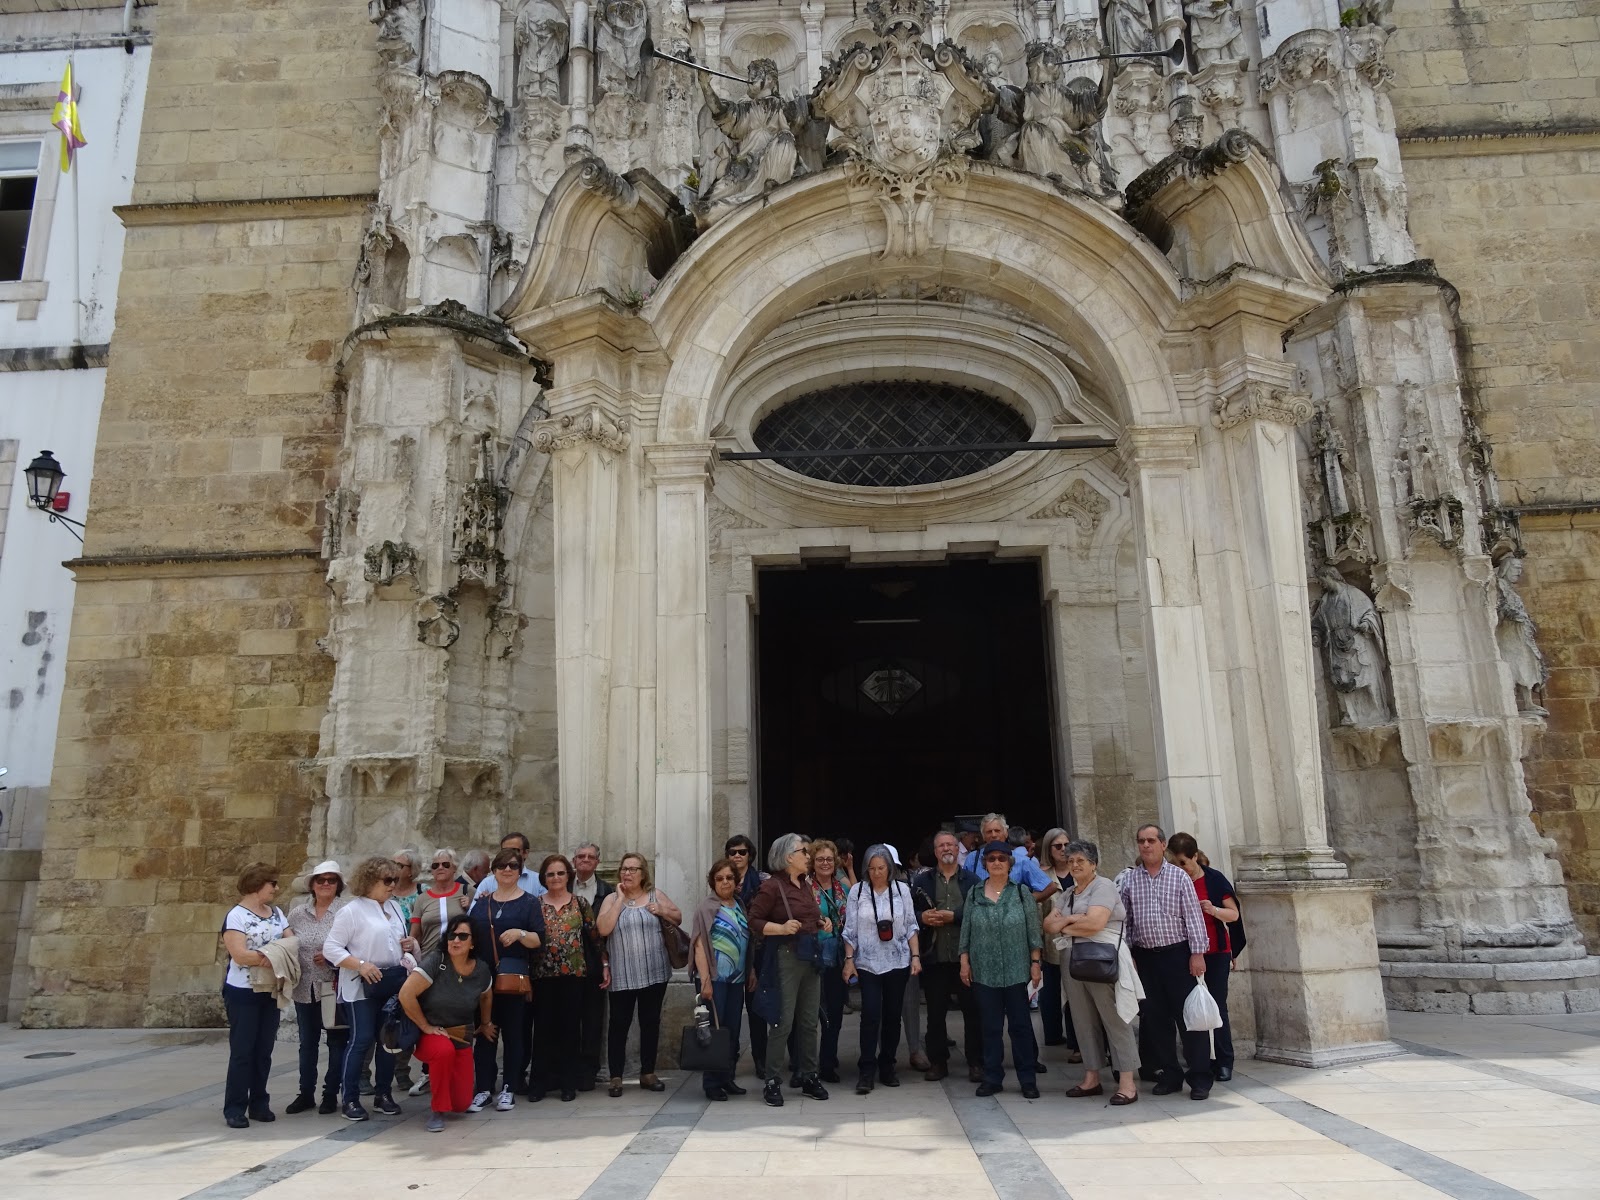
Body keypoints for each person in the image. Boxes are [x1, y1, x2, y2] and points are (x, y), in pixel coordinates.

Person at [1116, 824, 1212, 1100]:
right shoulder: (1131, 880)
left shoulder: (1179, 877)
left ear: (1162, 844)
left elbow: (1193, 916)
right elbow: (1126, 921)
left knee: (1189, 1018)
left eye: (1151, 840)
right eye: (1141, 841)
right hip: (1146, 958)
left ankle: (1200, 1078)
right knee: (1156, 1020)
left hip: (1178, 955)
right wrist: (1129, 955)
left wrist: (1197, 953)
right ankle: (1170, 1075)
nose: (1146, 845)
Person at [1043, 840, 1140, 1105]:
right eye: (1071, 861)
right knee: (1082, 1020)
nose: (1074, 865)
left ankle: (1127, 1082)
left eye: (1080, 861)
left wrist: (1065, 923)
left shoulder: (1103, 886)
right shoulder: (1069, 893)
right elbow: (1048, 925)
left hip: (1101, 959)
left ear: (1093, 864)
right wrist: (1073, 921)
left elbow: (1096, 923)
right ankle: (1092, 1077)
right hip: (1073, 960)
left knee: (1114, 1019)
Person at [324, 855, 414, 1122]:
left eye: (395, 879)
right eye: (387, 880)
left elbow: (397, 942)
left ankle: (383, 1095)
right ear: (369, 880)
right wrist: (361, 965)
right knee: (361, 1039)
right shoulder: (351, 911)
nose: (392, 885)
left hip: (391, 982)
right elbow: (331, 948)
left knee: (388, 1040)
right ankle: (350, 1099)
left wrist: (409, 945)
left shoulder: (394, 907)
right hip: (360, 986)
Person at [749, 833, 829, 1107]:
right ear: (788, 857)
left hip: (810, 956)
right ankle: (772, 1080)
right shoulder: (772, 886)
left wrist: (821, 922)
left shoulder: (805, 884)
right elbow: (753, 920)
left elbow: (807, 917)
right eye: (803, 851)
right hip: (786, 957)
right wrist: (780, 928)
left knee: (808, 1021)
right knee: (782, 1021)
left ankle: (809, 1075)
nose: (808, 855)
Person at [959, 841, 1042, 1098]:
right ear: (985, 863)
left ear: (1009, 863)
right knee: (990, 1027)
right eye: (992, 858)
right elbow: (966, 930)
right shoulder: (974, 893)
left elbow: (1033, 931)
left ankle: (1027, 1079)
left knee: (1020, 1027)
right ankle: (992, 1077)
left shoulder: (1021, 893)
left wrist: (1035, 963)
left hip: (1017, 970)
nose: (997, 862)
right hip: (984, 970)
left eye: (1002, 858)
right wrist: (964, 962)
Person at [398, 913, 493, 1131]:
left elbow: (487, 995)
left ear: (473, 943)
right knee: (443, 1052)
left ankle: (443, 1088)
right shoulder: (437, 960)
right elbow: (406, 994)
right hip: (430, 1033)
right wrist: (425, 1026)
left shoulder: (481, 969)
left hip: (461, 1035)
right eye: (452, 935)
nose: (456, 940)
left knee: (461, 1104)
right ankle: (437, 1111)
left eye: (463, 936)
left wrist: (486, 1023)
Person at [598, 851, 681, 1096]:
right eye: (624, 869)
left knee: (650, 1022)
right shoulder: (611, 898)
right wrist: (619, 900)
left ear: (643, 873)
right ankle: (616, 1076)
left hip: (654, 972)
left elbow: (678, 917)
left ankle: (648, 1072)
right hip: (622, 974)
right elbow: (603, 929)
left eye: (633, 869)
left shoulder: (655, 895)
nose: (628, 873)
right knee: (618, 1024)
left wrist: (662, 911)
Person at [468, 849, 543, 1112]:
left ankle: (509, 1087)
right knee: (485, 1032)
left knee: (513, 1035)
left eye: (513, 865)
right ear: (494, 871)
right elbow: (470, 937)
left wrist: (520, 933)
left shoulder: (530, 902)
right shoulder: (482, 904)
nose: (507, 870)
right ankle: (483, 1088)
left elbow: (538, 939)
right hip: (483, 980)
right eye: (501, 866)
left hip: (513, 980)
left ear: (520, 871)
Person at [842, 844, 920, 1094]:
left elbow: (911, 925)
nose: (876, 873)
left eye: (881, 868)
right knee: (871, 1014)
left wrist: (915, 956)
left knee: (893, 1016)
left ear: (890, 869)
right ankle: (866, 1069)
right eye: (872, 868)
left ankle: (888, 1065)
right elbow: (850, 929)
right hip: (867, 963)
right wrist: (849, 959)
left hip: (898, 961)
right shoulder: (858, 891)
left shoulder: (902, 890)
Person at [1167, 832, 1242, 1082]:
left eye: (1183, 863)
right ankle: (1199, 1061)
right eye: (1175, 863)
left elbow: (1234, 915)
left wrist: (1213, 909)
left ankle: (1224, 1061)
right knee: (1189, 1007)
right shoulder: (1172, 881)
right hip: (1185, 953)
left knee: (1217, 1005)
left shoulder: (1214, 879)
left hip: (1216, 952)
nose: (1180, 869)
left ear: (1195, 857)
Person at [220, 862, 289, 1128]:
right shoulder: (236, 916)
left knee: (264, 1051)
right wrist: (272, 956)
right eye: (273, 883)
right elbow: (239, 955)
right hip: (243, 991)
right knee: (243, 1051)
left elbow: (291, 942)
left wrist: (272, 956)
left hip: (270, 989)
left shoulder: (277, 913)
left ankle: (259, 1103)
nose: (276, 888)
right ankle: (235, 1107)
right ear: (257, 884)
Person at [912, 831, 983, 1083]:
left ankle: (976, 1062)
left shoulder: (972, 880)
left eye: (950, 844)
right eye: (941, 845)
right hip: (935, 955)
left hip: (966, 957)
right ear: (935, 851)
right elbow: (909, 913)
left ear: (957, 848)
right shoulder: (922, 881)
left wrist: (955, 917)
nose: (946, 849)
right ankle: (938, 1062)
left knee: (972, 1012)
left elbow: (978, 911)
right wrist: (922, 917)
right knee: (935, 1013)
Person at [530, 853, 599, 1101]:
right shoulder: (535, 904)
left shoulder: (580, 903)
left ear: (568, 875)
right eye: (551, 874)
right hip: (542, 975)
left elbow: (594, 937)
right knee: (543, 1030)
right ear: (544, 878)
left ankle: (569, 1083)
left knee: (570, 1030)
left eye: (560, 873)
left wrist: (604, 963)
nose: (556, 878)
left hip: (574, 975)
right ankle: (539, 1083)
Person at [285, 859, 348, 1116]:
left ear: (338, 885)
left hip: (334, 985)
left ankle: (330, 1094)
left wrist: (333, 957)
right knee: (307, 1043)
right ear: (312, 884)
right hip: (304, 987)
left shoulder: (346, 912)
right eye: (321, 880)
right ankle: (306, 1094)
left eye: (331, 880)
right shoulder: (297, 914)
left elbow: (355, 946)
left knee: (336, 1042)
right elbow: (287, 943)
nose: (325, 884)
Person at [690, 857, 751, 1100]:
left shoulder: (739, 904)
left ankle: (727, 1078)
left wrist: (750, 972)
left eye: (729, 877)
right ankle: (712, 1084)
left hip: (736, 978)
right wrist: (705, 980)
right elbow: (699, 945)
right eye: (719, 878)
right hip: (714, 979)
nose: (725, 882)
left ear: (736, 881)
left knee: (732, 1030)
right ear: (712, 882)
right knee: (715, 1030)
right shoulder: (706, 908)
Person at [571, 841, 616, 1091]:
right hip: (565, 964)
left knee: (592, 1019)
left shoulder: (607, 891)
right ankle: (566, 1068)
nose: (585, 860)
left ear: (597, 862)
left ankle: (589, 1071)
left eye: (590, 857)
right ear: (574, 861)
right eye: (581, 856)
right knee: (567, 1018)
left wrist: (606, 961)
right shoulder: (562, 884)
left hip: (594, 962)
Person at [725, 832, 769, 1078]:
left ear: (750, 855)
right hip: (730, 951)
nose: (737, 856)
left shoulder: (762, 881)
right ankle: (728, 1059)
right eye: (733, 852)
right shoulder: (722, 879)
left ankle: (760, 1059)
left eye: (742, 852)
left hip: (758, 951)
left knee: (756, 1009)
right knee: (730, 1011)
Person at [1036, 828, 1080, 1059]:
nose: (1063, 849)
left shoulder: (1079, 872)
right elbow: (1038, 913)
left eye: (1066, 845)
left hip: (1078, 944)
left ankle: (1076, 1040)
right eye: (1058, 846)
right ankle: (1052, 1033)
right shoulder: (1042, 876)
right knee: (1051, 992)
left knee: (1075, 994)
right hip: (1052, 944)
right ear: (1049, 849)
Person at [810, 839, 849, 1083]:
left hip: (837, 957)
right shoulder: (805, 888)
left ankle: (827, 1061)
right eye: (820, 859)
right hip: (812, 957)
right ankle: (803, 1063)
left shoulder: (843, 889)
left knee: (834, 1012)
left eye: (829, 859)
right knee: (809, 1013)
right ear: (812, 863)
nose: (825, 863)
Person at [961, 813, 1057, 902]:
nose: (993, 835)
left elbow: (1050, 887)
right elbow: (964, 890)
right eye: (989, 832)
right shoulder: (972, 859)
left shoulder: (1021, 860)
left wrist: (1024, 902)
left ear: (1006, 833)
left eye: (997, 831)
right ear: (983, 836)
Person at [412, 848, 471, 960]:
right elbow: (415, 935)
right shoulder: (422, 899)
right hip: (429, 959)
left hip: (459, 959)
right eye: (435, 865)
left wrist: (470, 907)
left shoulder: (467, 891)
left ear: (454, 868)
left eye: (445, 864)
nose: (440, 868)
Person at [473, 832, 547, 898]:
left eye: (514, 850)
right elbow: (474, 908)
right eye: (505, 851)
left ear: (525, 853)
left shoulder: (538, 881)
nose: (510, 854)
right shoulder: (487, 883)